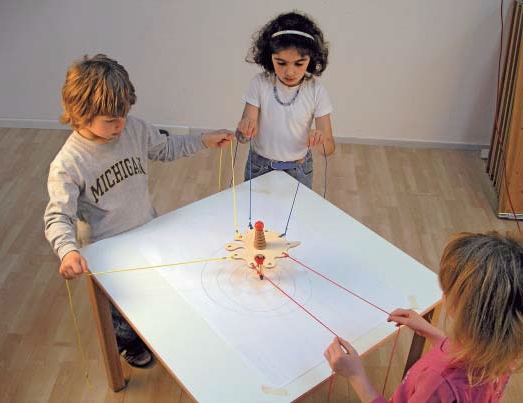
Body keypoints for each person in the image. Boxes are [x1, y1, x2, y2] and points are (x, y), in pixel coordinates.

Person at [44, 54, 232, 368]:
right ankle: (128, 342)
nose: (120, 124)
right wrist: (67, 251)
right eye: (110, 120)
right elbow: (58, 215)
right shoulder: (68, 164)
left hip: (147, 230)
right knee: (121, 306)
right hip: (108, 253)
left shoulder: (134, 129)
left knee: (157, 289)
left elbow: (166, 147)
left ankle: (154, 330)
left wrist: (204, 140)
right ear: (81, 113)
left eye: (124, 114)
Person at [324, 231, 523, 402]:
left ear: (465, 312)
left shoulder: (438, 385)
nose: (443, 294)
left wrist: (356, 375)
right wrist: (429, 331)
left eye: (447, 290)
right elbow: (467, 355)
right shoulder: (504, 352)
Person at [236, 11, 335, 189]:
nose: (289, 72)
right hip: (259, 167)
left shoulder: (317, 92)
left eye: (299, 63)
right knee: (255, 207)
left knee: (298, 208)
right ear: (269, 57)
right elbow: (242, 137)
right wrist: (244, 130)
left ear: (311, 59)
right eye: (281, 63)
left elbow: (328, 148)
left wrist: (320, 140)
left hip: (299, 169)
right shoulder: (259, 83)